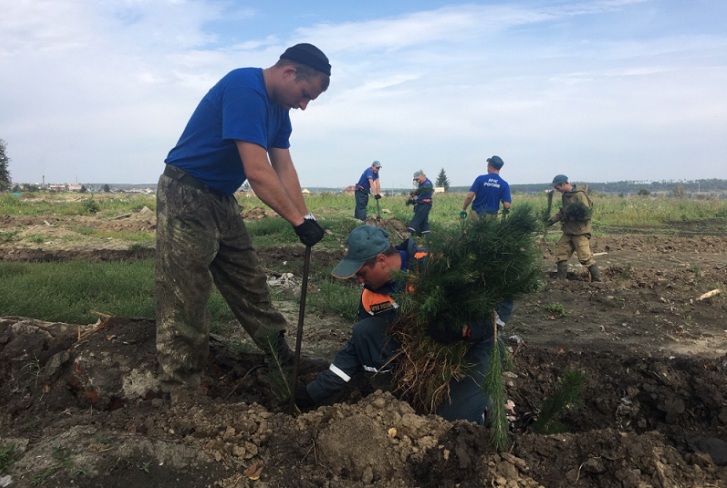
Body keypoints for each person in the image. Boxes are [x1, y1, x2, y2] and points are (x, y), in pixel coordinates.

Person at [155, 43, 331, 388]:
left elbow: (284, 167)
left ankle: (278, 357)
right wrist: (295, 221)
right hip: (186, 194)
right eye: (305, 94)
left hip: (220, 198)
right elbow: (258, 170)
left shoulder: (280, 109)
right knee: (185, 292)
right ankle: (179, 385)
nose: (304, 105)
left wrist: (305, 217)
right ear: (289, 72)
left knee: (249, 280)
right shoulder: (244, 88)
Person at [295, 225, 510, 424]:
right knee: (365, 330)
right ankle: (402, 400)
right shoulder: (370, 298)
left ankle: (486, 405)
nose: (359, 280)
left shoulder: (435, 264)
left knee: (451, 423)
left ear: (381, 260)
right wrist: (312, 392)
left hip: (469, 351)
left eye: (361, 273)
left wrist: (465, 329)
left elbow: (500, 296)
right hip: (418, 364)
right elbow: (356, 349)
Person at [546, 174, 602, 282]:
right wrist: (550, 221)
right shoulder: (565, 196)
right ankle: (560, 281)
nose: (557, 190)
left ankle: (597, 280)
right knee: (561, 255)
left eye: (557, 187)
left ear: (563, 184)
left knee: (585, 257)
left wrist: (572, 216)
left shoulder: (579, 195)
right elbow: (562, 213)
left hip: (580, 232)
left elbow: (587, 214)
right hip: (568, 231)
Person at [406, 170, 434, 236]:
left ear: (421, 176)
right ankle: (426, 234)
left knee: (417, 218)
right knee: (423, 221)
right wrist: (412, 200)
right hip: (421, 203)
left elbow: (425, 190)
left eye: (417, 179)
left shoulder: (428, 183)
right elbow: (419, 196)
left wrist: (416, 192)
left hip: (425, 204)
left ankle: (409, 232)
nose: (417, 181)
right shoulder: (420, 184)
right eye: (416, 180)